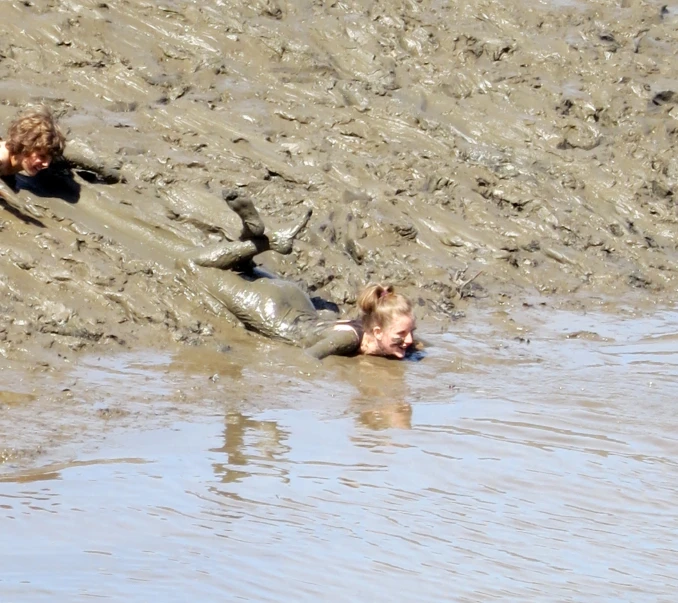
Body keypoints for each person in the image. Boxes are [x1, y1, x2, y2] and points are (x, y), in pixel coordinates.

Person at [182, 190, 418, 360]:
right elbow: (307, 359)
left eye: (410, 333)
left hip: (298, 301)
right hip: (271, 310)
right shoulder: (348, 340)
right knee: (189, 263)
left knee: (241, 267)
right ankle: (270, 242)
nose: (408, 341)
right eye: (402, 335)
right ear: (376, 332)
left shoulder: (369, 325)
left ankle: (253, 234)